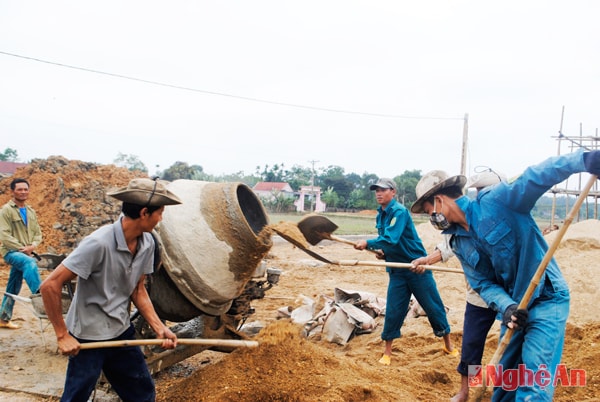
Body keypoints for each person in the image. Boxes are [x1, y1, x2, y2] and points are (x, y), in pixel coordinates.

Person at [410, 149, 600, 401]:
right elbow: (482, 284)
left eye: (428, 210)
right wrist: (507, 307)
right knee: (503, 387)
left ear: (440, 200)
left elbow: (537, 176)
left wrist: (584, 161)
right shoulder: (457, 243)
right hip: (514, 309)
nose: (431, 218)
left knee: (533, 386)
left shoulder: (498, 201)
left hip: (546, 298)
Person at [40, 177, 182, 402]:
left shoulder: (147, 244)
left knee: (142, 393)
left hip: (120, 332)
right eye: (160, 212)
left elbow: (138, 290)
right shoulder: (98, 243)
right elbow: (50, 285)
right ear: (145, 212)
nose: (161, 218)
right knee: (76, 397)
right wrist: (62, 335)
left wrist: (159, 327)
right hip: (88, 337)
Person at [411, 169, 505, 402]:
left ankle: (505, 389)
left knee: (510, 342)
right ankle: (467, 390)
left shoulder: (490, 218)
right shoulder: (455, 226)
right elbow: (446, 248)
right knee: (472, 345)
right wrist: (426, 260)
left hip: (509, 294)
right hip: (479, 294)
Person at [354, 178, 457, 366]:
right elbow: (389, 244)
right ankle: (387, 352)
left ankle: (448, 345)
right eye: (376, 190)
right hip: (397, 270)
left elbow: (391, 238)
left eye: (383, 190)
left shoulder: (399, 212)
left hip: (417, 268)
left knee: (434, 307)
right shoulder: (380, 215)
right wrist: (383, 253)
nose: (378, 193)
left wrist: (368, 243)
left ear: (393, 192)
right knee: (394, 310)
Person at [0, 178, 43, 330]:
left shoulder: (30, 211)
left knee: (13, 285)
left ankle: (3, 318)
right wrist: (22, 249)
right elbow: (4, 235)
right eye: (19, 189)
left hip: (27, 251)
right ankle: (40, 297)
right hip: (12, 252)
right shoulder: (6, 210)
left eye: (25, 189)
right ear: (12, 191)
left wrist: (33, 246)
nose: (23, 192)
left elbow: (38, 233)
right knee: (29, 263)